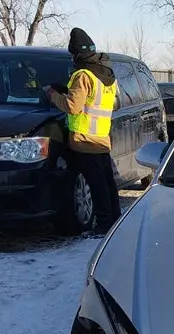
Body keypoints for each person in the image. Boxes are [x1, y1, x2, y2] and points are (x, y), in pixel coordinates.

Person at [47, 28, 120, 233]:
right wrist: (65, 89)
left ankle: (104, 225)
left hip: (83, 140)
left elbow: (73, 106)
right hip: (101, 139)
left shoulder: (82, 75)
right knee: (107, 184)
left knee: (96, 187)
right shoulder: (106, 74)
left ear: (76, 53)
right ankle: (114, 221)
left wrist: (53, 95)